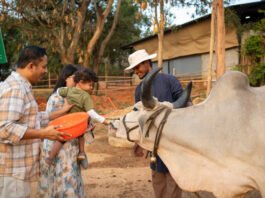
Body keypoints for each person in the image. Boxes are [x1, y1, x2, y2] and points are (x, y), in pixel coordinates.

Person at [0, 46, 72, 197]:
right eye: (43, 67)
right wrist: (44, 133)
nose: (45, 71)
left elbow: (32, 117)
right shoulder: (16, 89)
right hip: (12, 171)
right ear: (31, 66)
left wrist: (61, 113)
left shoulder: (22, 86)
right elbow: (4, 128)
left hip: (18, 170)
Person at [125, 49, 184, 198]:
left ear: (147, 63)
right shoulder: (139, 89)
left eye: (137, 67)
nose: (135, 71)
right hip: (154, 144)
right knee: (158, 179)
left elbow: (185, 102)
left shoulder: (169, 80)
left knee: (173, 177)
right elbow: (139, 116)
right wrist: (137, 142)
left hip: (173, 138)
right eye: (133, 69)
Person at [45, 68, 109, 167]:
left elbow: (58, 91)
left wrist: (66, 97)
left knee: (61, 139)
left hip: (67, 122)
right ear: (81, 82)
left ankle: (50, 157)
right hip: (78, 122)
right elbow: (91, 112)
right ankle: (82, 153)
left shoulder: (68, 91)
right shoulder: (85, 96)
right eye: (90, 85)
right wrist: (103, 120)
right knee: (81, 135)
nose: (92, 88)